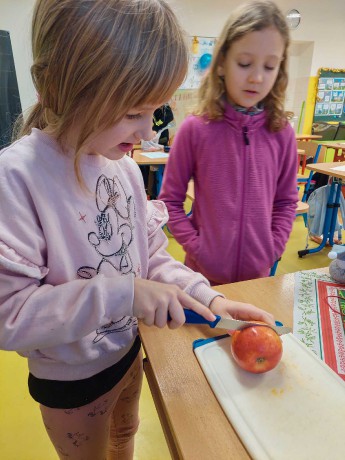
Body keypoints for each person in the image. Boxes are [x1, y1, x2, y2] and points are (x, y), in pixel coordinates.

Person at [0, 1, 274, 459]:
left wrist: (211, 300)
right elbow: (9, 316)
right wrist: (122, 293)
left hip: (129, 353)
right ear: (57, 88)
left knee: (125, 437)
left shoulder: (122, 168)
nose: (148, 133)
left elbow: (152, 261)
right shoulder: (18, 179)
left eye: (155, 112)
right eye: (132, 113)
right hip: (72, 383)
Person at [159, 0, 299, 286]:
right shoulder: (195, 130)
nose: (257, 77)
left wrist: (272, 249)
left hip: (257, 279)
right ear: (221, 63)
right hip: (202, 279)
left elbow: (286, 201)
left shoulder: (282, 132)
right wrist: (198, 248)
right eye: (244, 63)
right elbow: (170, 202)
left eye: (270, 66)